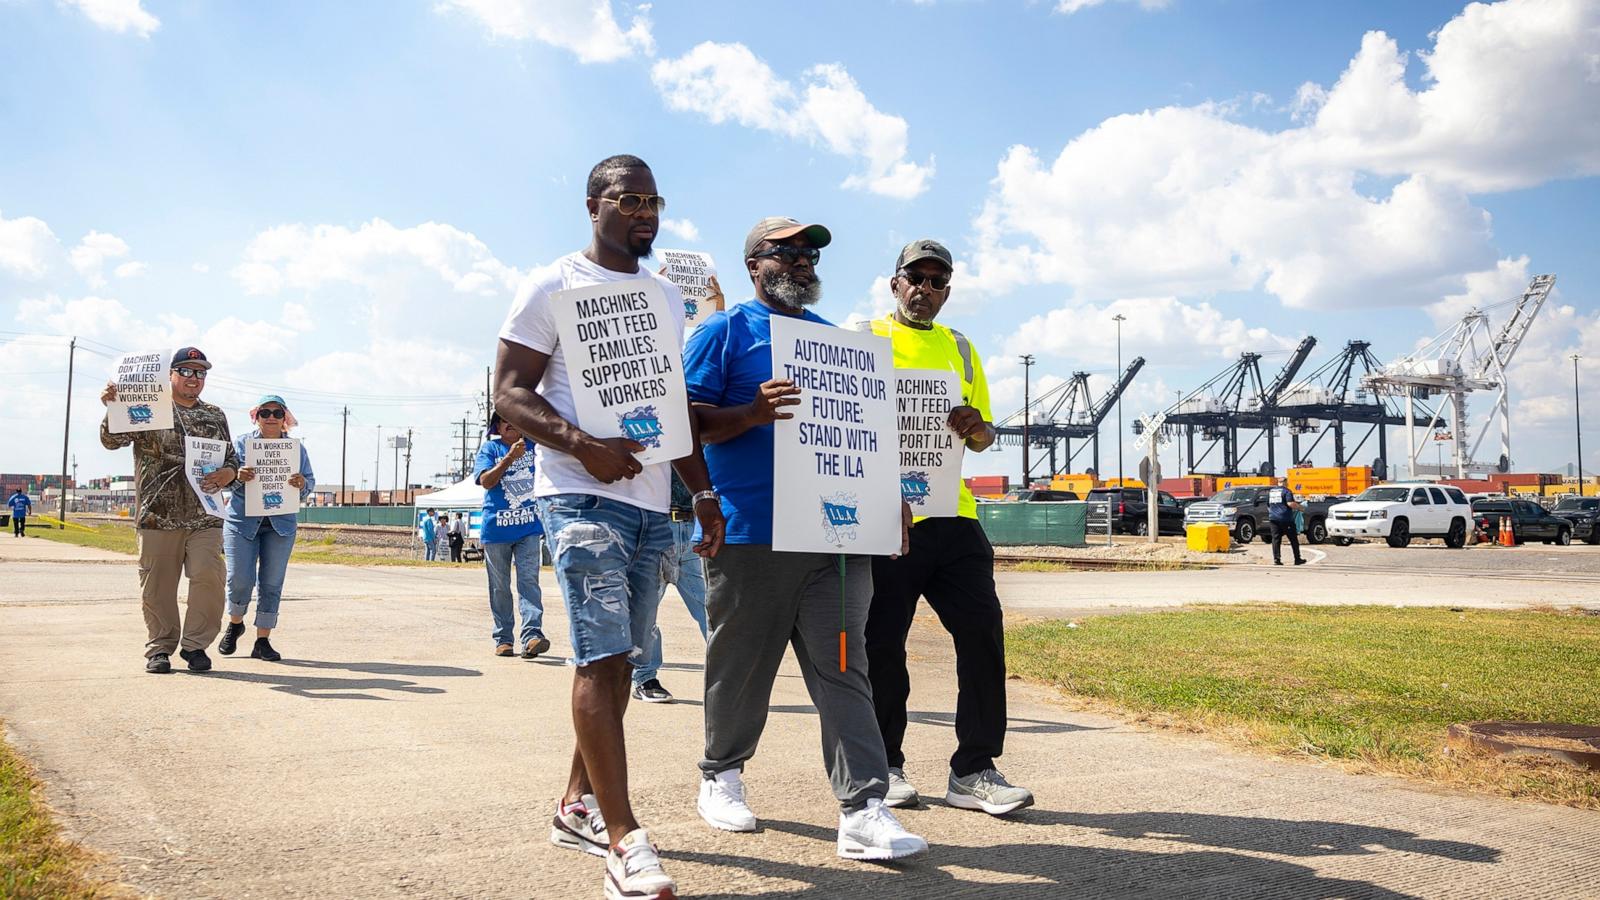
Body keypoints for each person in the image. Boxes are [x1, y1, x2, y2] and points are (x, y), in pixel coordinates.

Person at [494, 153, 724, 900]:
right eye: (628, 199)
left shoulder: (662, 296)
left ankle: (576, 805)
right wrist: (582, 446)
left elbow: (672, 407)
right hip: (580, 499)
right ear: (593, 205)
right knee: (598, 658)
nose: (644, 212)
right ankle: (624, 840)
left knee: (621, 659)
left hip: (653, 505)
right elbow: (508, 394)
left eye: (653, 199)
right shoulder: (553, 284)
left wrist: (704, 494)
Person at [683, 216, 927, 860]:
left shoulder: (839, 346)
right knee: (741, 665)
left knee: (845, 664)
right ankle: (722, 774)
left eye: (808, 252)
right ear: (753, 265)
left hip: (835, 541)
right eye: (784, 252)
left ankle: (864, 809)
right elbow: (684, 423)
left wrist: (891, 496)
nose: (800, 261)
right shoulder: (724, 331)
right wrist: (752, 414)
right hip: (752, 532)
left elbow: (864, 435)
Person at [861, 239, 1035, 817]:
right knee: (883, 642)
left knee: (982, 634)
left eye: (938, 281)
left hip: (954, 515)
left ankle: (974, 769)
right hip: (888, 517)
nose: (925, 289)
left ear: (948, 291)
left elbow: (985, 438)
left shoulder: (961, 347)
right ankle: (885, 764)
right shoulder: (861, 338)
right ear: (894, 282)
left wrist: (975, 425)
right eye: (916, 277)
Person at [99, 347, 238, 674]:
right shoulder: (148, 406)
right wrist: (114, 407)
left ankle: (195, 646)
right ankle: (159, 648)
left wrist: (229, 473)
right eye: (186, 371)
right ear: (170, 374)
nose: (194, 378)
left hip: (205, 515)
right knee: (158, 586)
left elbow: (230, 456)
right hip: (157, 514)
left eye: (200, 373)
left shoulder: (214, 415)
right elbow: (111, 440)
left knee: (209, 575)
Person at [219, 395, 315, 662]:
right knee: (239, 578)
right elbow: (225, 479)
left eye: (276, 412)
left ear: (285, 418)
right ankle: (235, 623)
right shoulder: (241, 444)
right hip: (241, 522)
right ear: (256, 416)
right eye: (265, 412)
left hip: (280, 525)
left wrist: (300, 484)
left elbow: (309, 481)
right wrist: (238, 478)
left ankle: (263, 640)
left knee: (272, 583)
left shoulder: (296, 450)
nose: (271, 417)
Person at [474, 412, 549, 659]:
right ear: (497, 426)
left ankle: (532, 636)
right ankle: (503, 639)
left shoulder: (535, 447)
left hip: (529, 528)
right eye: (503, 420)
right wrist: (509, 458)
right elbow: (486, 481)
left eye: (514, 418)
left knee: (529, 582)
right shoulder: (489, 449)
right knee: (500, 587)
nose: (509, 423)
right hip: (496, 530)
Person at [630, 472, 709, 703]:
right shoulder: (656, 438)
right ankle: (644, 678)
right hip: (657, 527)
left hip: (693, 526)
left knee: (710, 608)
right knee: (645, 611)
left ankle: (732, 676)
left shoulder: (698, 438)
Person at [1268, 478, 1306, 566]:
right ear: (1285, 482)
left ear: (1278, 483)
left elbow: (1268, 504)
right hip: (1286, 519)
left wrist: (1273, 513)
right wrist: (1301, 508)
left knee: (1276, 539)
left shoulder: (1271, 492)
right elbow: (1290, 503)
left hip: (1273, 519)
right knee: (1293, 539)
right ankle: (1297, 559)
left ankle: (1276, 559)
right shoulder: (1287, 491)